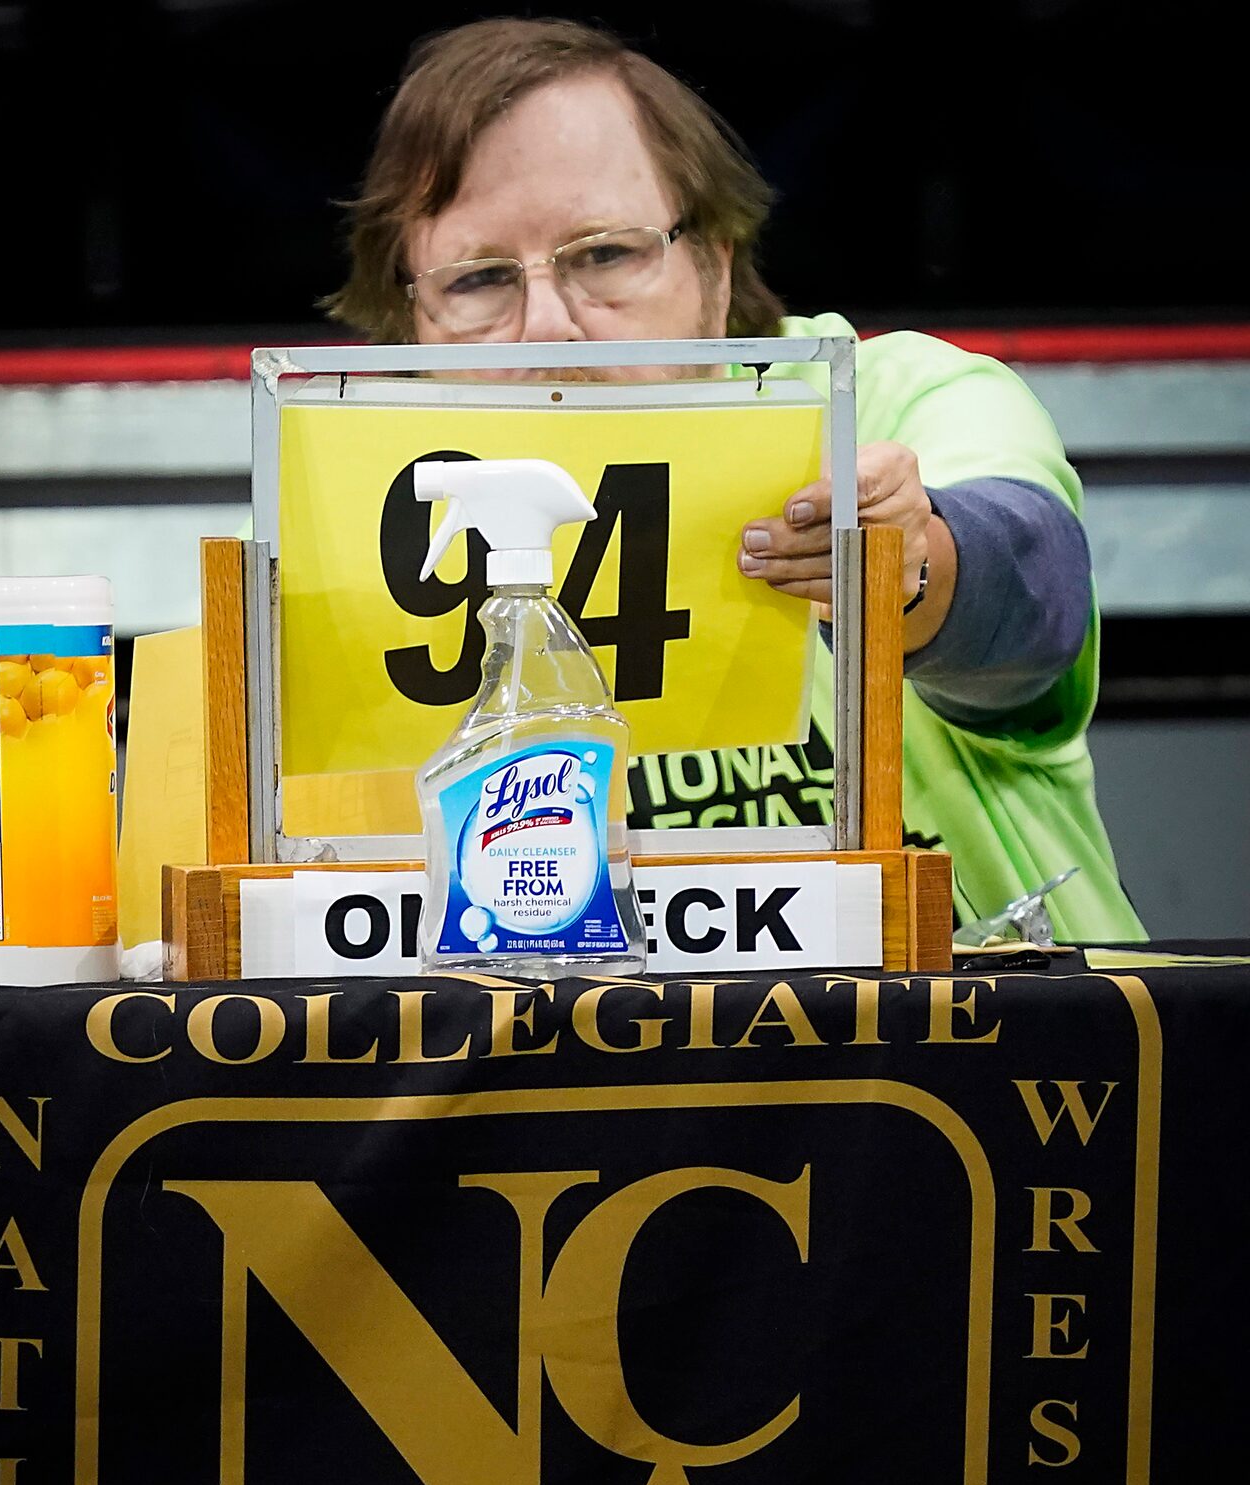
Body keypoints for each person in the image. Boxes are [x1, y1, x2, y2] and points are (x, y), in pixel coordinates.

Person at [324, 16, 1144, 942]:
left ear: (713, 263)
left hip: (994, 1051)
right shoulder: (354, 518)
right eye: (478, 279)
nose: (547, 324)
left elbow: (1035, 608)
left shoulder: (895, 397)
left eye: (604, 254)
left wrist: (919, 567)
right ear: (409, 319)